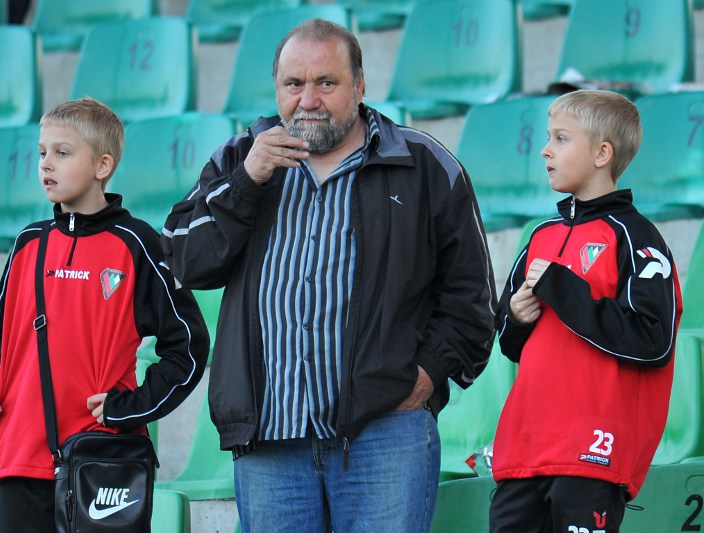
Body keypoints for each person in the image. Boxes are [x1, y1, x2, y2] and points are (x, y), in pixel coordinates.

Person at [161, 18, 496, 532]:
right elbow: (185, 260)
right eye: (293, 84)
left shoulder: (423, 163)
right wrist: (246, 182)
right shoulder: (240, 158)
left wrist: (427, 375)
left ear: (359, 86)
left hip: (385, 433)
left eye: (326, 83)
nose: (308, 100)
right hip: (269, 439)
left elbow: (471, 295)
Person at [0, 97, 210, 533]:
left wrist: (130, 409)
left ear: (103, 165)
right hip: (20, 461)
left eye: (62, 153)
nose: (46, 164)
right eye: (42, 152)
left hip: (102, 460)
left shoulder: (136, 243)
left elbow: (189, 348)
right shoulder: (27, 243)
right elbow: (1, 346)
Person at [489, 90, 683, 533]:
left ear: (601, 154)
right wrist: (517, 316)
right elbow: (510, 342)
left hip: (591, 453)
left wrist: (564, 288)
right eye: (547, 137)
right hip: (525, 450)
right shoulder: (541, 235)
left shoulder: (637, 237)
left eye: (560, 138)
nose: (545, 150)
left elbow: (653, 341)